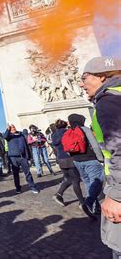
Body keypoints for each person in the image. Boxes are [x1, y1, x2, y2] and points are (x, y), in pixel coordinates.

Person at [79, 56, 121, 257]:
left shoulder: (109, 102)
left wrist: (116, 196)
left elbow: (120, 149)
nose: (81, 83)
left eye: (84, 77)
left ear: (102, 77)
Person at [67, 113, 104, 220]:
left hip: (77, 162)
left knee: (88, 183)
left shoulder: (70, 131)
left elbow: (68, 149)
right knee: (97, 181)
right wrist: (100, 159)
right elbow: (95, 145)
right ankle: (88, 203)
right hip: (90, 160)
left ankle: (93, 207)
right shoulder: (85, 129)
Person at [51, 119, 86, 209]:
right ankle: (82, 202)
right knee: (75, 181)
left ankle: (59, 194)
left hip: (60, 159)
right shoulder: (68, 132)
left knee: (68, 178)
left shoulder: (53, 135)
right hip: (69, 158)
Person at [4, 124, 39, 194]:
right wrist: (8, 129)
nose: (13, 128)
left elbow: (26, 146)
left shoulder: (21, 135)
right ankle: (18, 188)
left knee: (27, 173)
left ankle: (32, 187)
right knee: (15, 174)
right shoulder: (9, 136)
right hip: (13, 157)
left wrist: (29, 156)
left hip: (23, 157)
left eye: (14, 127)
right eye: (11, 128)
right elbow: (5, 136)